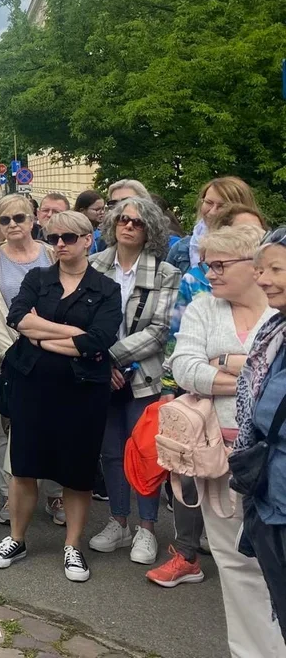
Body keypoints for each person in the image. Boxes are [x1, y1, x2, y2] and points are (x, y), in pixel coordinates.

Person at [158, 226, 284, 655]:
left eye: (219, 265)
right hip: (215, 457)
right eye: (206, 264)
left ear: (254, 267)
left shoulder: (279, 309)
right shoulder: (203, 307)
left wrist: (226, 364)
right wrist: (254, 375)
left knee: (277, 561)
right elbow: (185, 366)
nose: (208, 273)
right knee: (233, 561)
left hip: (273, 460)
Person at [0, 211, 122, 583]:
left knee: (76, 473)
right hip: (32, 387)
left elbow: (98, 340)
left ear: (87, 241)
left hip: (82, 393)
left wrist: (42, 336)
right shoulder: (38, 278)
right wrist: (68, 333)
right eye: (54, 236)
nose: (60, 243)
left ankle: (73, 545)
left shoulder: (106, 288)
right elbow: (18, 318)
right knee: (24, 466)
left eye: (69, 237)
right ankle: (17, 538)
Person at [88, 196, 180, 564]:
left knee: (144, 453)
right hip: (101, 375)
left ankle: (147, 529)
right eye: (122, 219)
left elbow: (159, 331)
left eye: (137, 222)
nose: (128, 226)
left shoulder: (164, 273)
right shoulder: (94, 266)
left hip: (143, 375)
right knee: (110, 452)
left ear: (150, 230)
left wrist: (111, 356)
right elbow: (85, 322)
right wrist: (100, 362)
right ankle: (118, 521)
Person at [0, 194, 62, 524]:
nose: (13, 225)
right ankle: (9, 496)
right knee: (7, 429)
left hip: (55, 354)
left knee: (55, 425)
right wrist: (13, 351)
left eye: (20, 218)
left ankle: (55, 495)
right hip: (8, 356)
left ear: (33, 220)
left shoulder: (53, 253)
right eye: (5, 220)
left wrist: (50, 343)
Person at [235, 226, 286, 646]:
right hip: (269, 495)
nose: (263, 278)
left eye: (276, 269)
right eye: (260, 268)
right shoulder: (276, 331)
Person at [166, 176, 258, 275]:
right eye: (209, 203)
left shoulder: (260, 249)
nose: (213, 211)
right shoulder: (180, 250)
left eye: (222, 206)